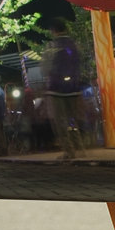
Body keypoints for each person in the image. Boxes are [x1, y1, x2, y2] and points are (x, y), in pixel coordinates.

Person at [42, 18, 85, 159]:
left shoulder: (51, 46)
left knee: (60, 121)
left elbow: (45, 68)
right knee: (72, 120)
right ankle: (80, 148)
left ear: (53, 31)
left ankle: (69, 151)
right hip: (73, 88)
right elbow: (80, 64)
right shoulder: (75, 45)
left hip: (56, 90)